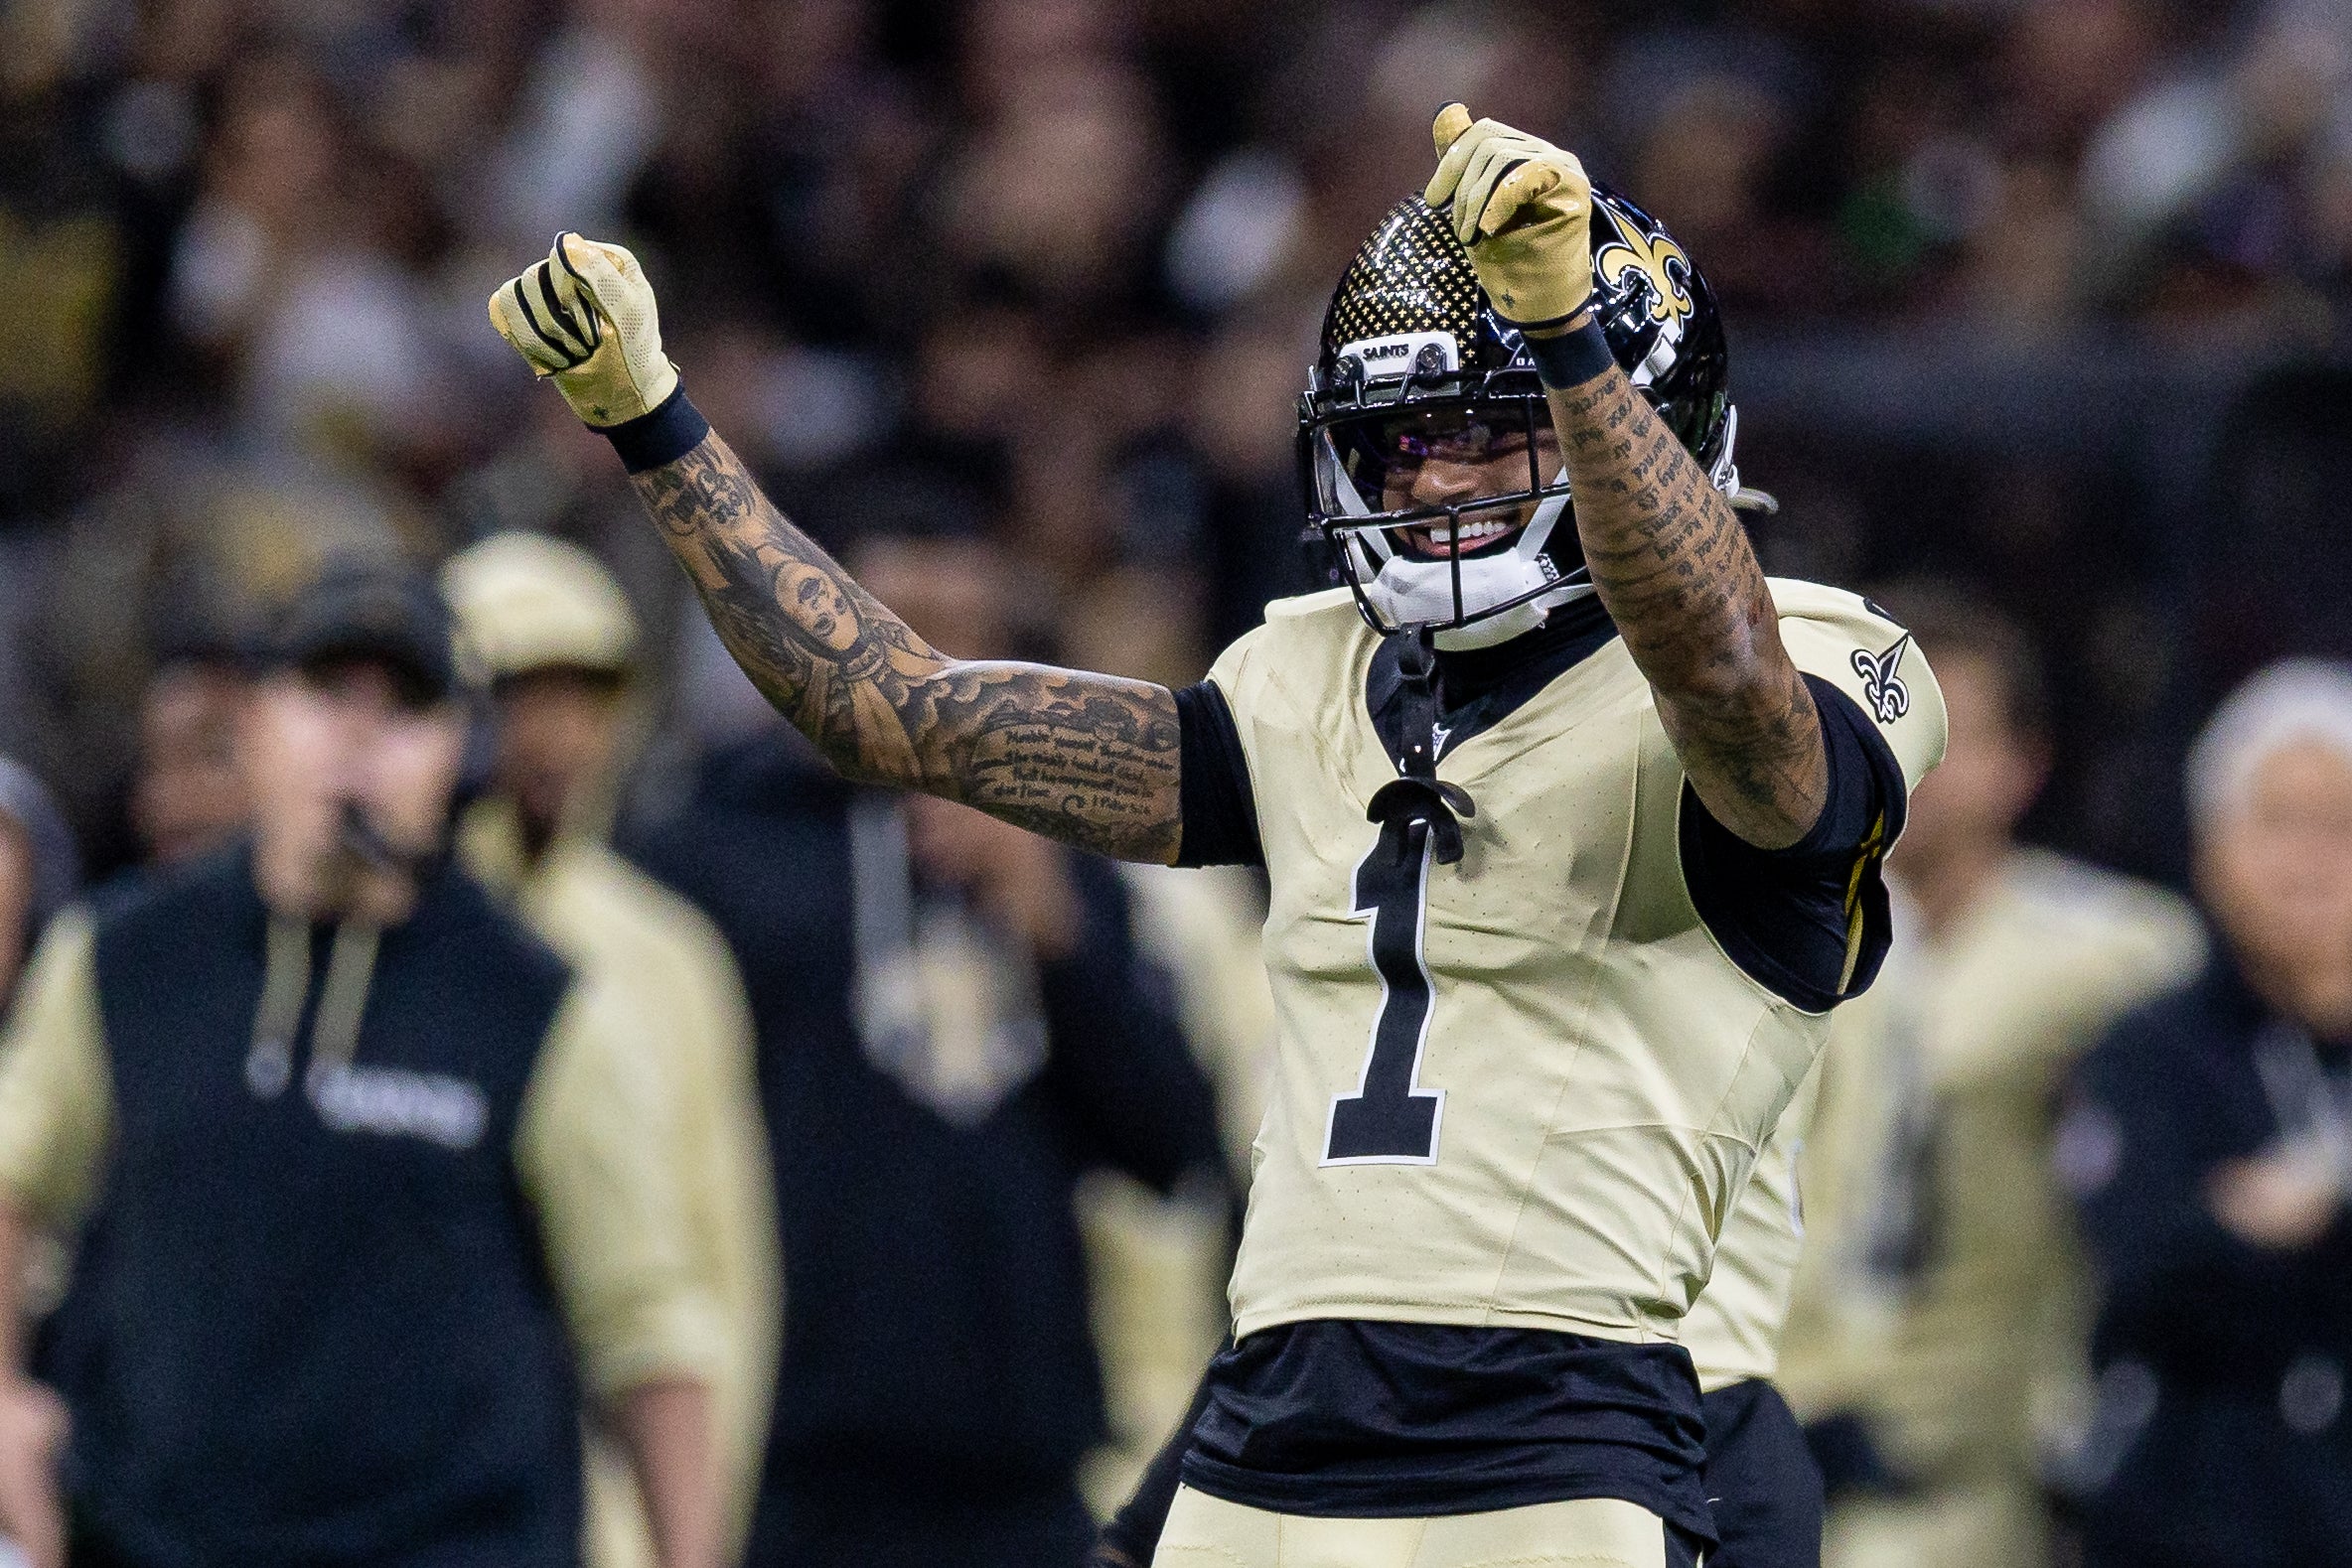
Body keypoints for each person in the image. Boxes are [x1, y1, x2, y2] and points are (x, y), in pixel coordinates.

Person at [491, 101, 1946, 1568]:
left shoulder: (1817, 655)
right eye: (1397, 445)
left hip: (1557, 1422)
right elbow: (895, 710)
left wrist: (1565, 336)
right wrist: (654, 422)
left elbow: (1726, 683)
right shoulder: (1302, 677)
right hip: (1265, 1427)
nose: (1426, 487)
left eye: (1486, 441)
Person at [0, 565, 724, 1568]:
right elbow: (11, 1176)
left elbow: (650, 1327)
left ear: (459, 758)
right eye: (325, 695)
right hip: (157, 1539)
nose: (357, 739)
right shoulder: (124, 956)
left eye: (404, 710)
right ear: (254, 724)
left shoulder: (536, 1002)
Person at [624, 504, 1227, 1568]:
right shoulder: (715, 844)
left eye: (962, 632)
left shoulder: (1068, 843)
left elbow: (1171, 1144)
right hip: (792, 1456)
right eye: (898, 626)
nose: (927, 669)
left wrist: (1058, 928)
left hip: (1020, 1461)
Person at [1771, 589, 2201, 1568]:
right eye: (1882, 719)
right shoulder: (1747, 933)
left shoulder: (2114, 955)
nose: (1912, 761)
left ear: (2026, 763)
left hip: (1969, 1473)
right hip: (1758, 1437)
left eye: (1947, 732)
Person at [440, 532, 780, 1568]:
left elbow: (721, 1272)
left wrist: (694, 1524)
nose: (554, 734)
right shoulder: (400, 938)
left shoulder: (667, 955)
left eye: (582, 695)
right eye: (518, 693)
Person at [2061, 659, 2352, 1568]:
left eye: (2340, 825)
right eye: (2277, 820)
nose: (2309, 857)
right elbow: (2154, 1264)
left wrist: (2312, 1210)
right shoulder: (2145, 1051)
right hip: (2194, 1517)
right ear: (2208, 850)